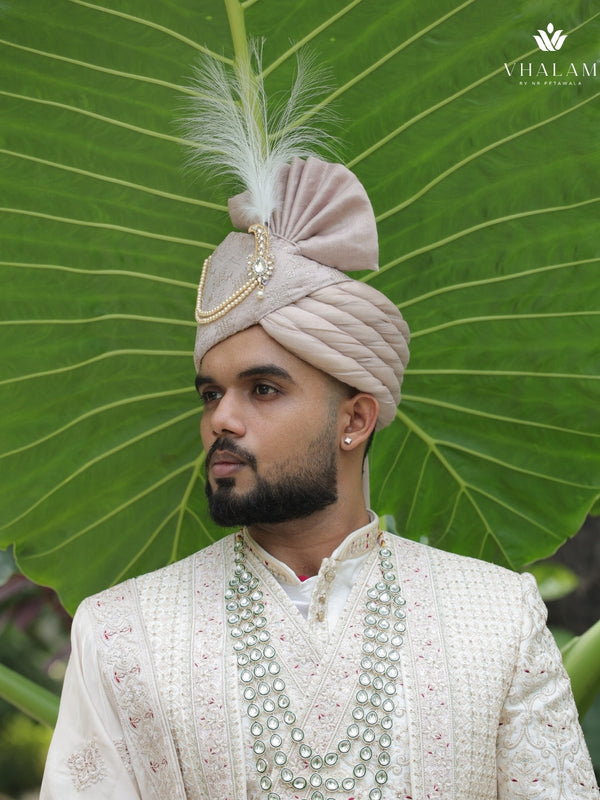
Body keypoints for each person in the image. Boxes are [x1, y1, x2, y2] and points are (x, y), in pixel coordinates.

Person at [41, 51, 599, 800]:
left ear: (356, 418)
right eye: (211, 394)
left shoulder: (496, 619)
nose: (222, 420)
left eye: (263, 389)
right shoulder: (121, 637)